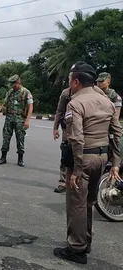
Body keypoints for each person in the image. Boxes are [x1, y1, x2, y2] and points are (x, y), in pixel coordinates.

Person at [53, 61, 122, 264]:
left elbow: (76, 139)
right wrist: (116, 163)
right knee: (89, 202)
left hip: (83, 159)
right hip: (101, 158)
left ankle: (76, 249)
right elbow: (117, 133)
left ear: (75, 81)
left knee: (76, 205)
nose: (68, 84)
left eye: (69, 80)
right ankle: (86, 242)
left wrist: (76, 169)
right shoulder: (107, 102)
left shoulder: (75, 104)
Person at [52, 85, 109, 193]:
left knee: (85, 155)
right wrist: (55, 128)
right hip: (69, 128)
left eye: (72, 80)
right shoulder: (66, 93)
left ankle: (84, 184)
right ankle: (63, 182)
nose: (71, 83)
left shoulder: (96, 91)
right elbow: (59, 111)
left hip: (87, 129)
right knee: (66, 154)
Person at [0, 74, 34, 167]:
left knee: (20, 138)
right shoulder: (10, 92)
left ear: (18, 82)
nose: (12, 86)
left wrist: (27, 121)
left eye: (13, 83)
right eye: (11, 84)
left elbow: (30, 107)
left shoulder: (26, 92)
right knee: (6, 138)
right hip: (9, 118)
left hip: (20, 119)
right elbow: (4, 103)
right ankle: (3, 157)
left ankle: (20, 159)